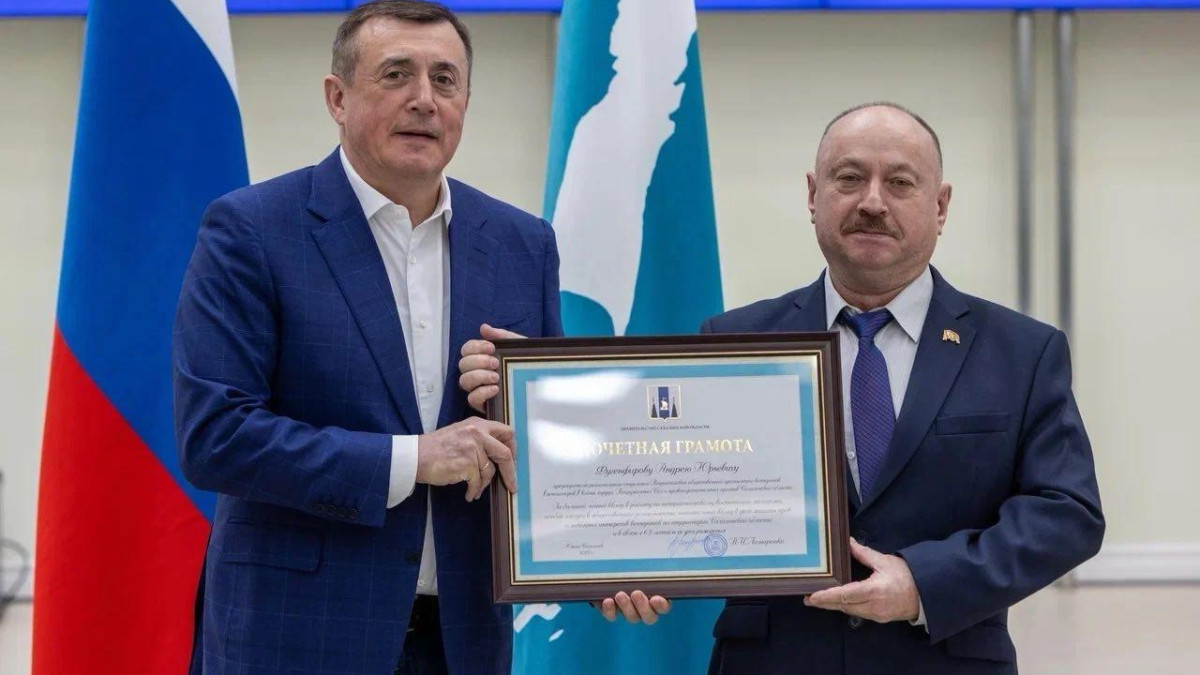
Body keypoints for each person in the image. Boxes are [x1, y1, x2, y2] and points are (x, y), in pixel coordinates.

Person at [457, 102, 1103, 674]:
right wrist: (538, 392)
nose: (872, 201)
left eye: (900, 182)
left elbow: (1067, 512)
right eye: (849, 178)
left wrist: (923, 585)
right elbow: (667, 484)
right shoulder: (736, 340)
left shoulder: (1020, 351)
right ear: (813, 196)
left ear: (940, 205)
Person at [173, 2, 562, 673]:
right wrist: (415, 459)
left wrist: (610, 561)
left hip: (463, 643)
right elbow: (217, 436)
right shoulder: (253, 230)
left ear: (466, 102)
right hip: (295, 638)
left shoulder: (523, 244)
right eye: (396, 74)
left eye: (445, 79)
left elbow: (547, 447)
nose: (424, 99)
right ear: (337, 97)